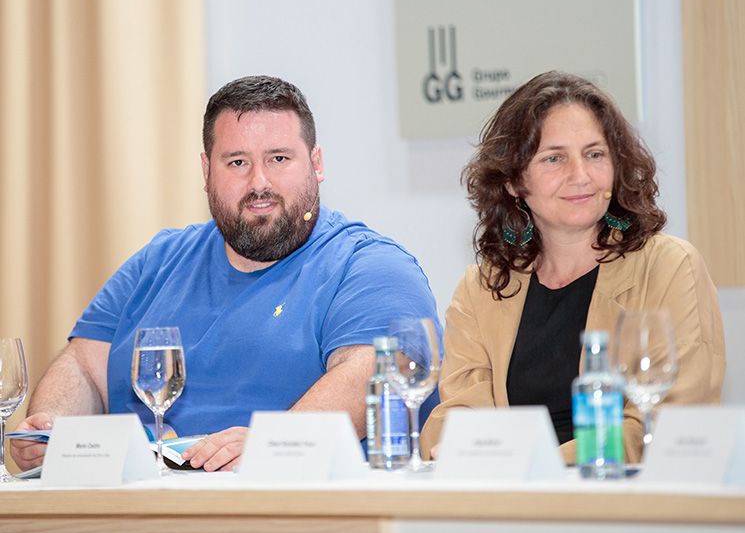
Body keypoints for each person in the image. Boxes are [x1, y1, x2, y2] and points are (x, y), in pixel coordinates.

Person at [12, 75, 439, 472]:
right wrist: (53, 431)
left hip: (290, 519)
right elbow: (84, 365)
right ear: (206, 172)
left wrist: (271, 446)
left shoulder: (370, 266)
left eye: (279, 158)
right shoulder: (157, 260)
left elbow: (372, 370)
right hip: (135, 518)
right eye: (237, 162)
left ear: (316, 163)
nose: (259, 183)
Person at [420, 71, 725, 465]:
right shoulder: (482, 287)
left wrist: (532, 462)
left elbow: (665, 425)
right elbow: (457, 412)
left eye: (595, 154)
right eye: (554, 158)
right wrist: (464, 444)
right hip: (513, 502)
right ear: (513, 181)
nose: (580, 176)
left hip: (621, 506)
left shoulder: (670, 267)